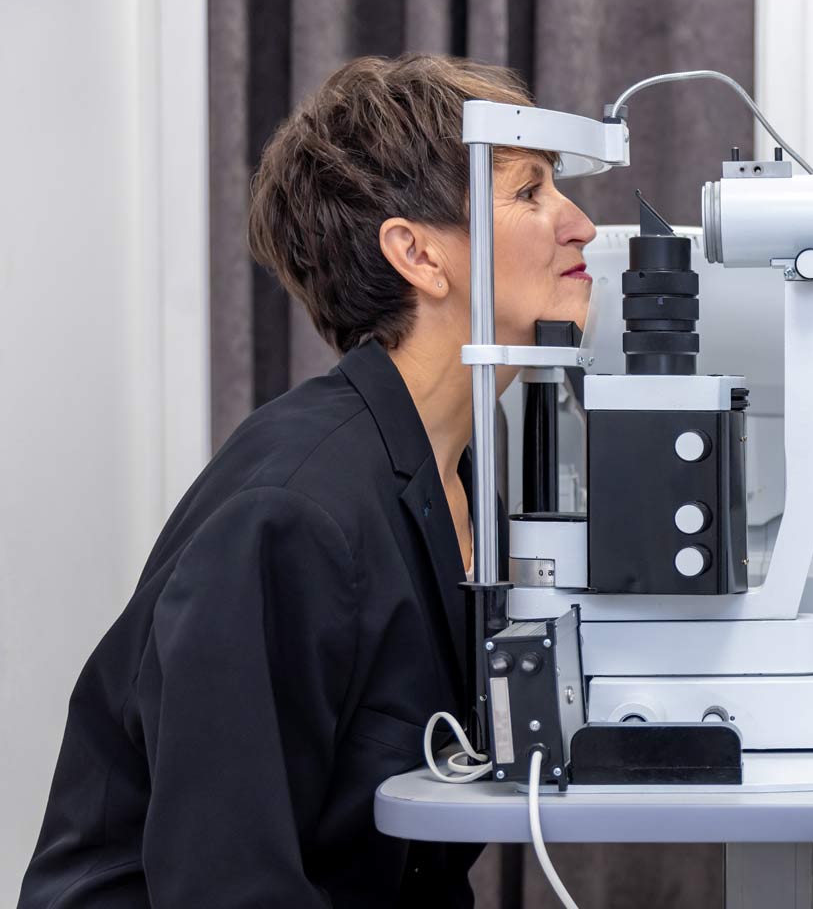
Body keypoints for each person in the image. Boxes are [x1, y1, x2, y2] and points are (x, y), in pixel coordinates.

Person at [18, 53, 596, 908]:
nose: (580, 223)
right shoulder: (291, 512)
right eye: (530, 192)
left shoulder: (464, 474)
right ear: (418, 255)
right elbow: (226, 881)